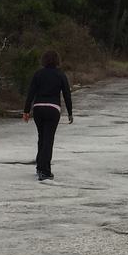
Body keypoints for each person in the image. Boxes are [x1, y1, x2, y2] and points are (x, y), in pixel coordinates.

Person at [23, 50, 73, 181]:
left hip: (38, 108)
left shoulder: (38, 74)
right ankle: (45, 171)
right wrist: (70, 112)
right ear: (57, 60)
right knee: (48, 139)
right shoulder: (60, 75)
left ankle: (40, 167)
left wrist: (26, 111)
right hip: (53, 109)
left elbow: (31, 93)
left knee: (41, 137)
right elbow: (67, 95)